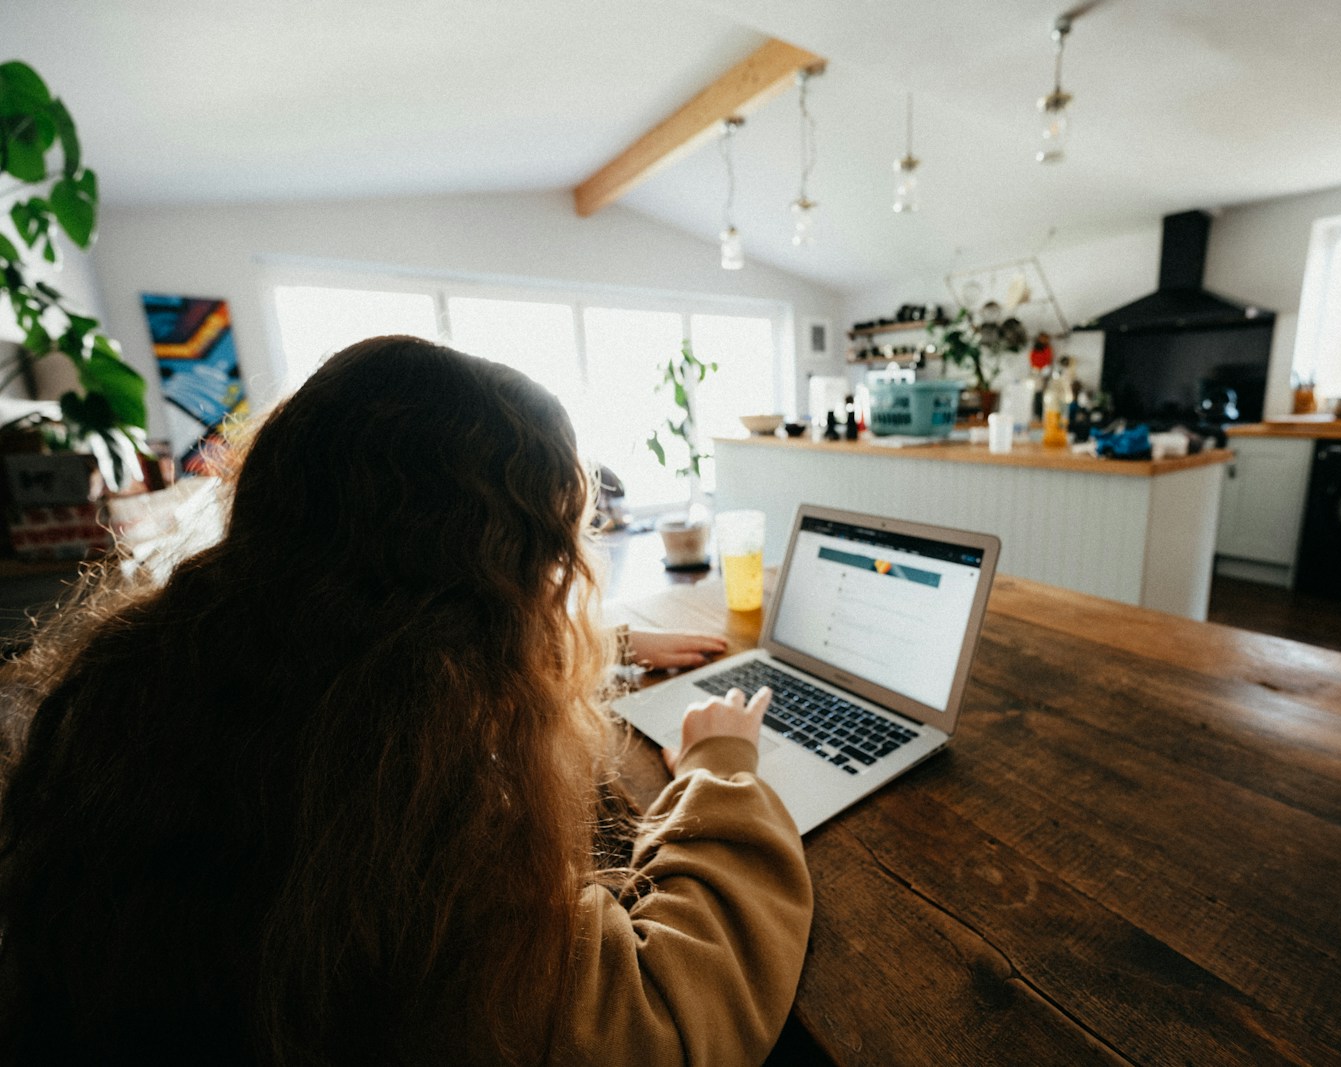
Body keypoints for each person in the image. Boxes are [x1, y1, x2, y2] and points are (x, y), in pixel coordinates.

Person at [0, 336, 811, 1065]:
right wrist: (721, 767)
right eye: (547, 555)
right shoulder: (402, 826)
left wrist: (611, 648)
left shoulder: (158, 684)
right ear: (489, 589)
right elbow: (661, 1019)